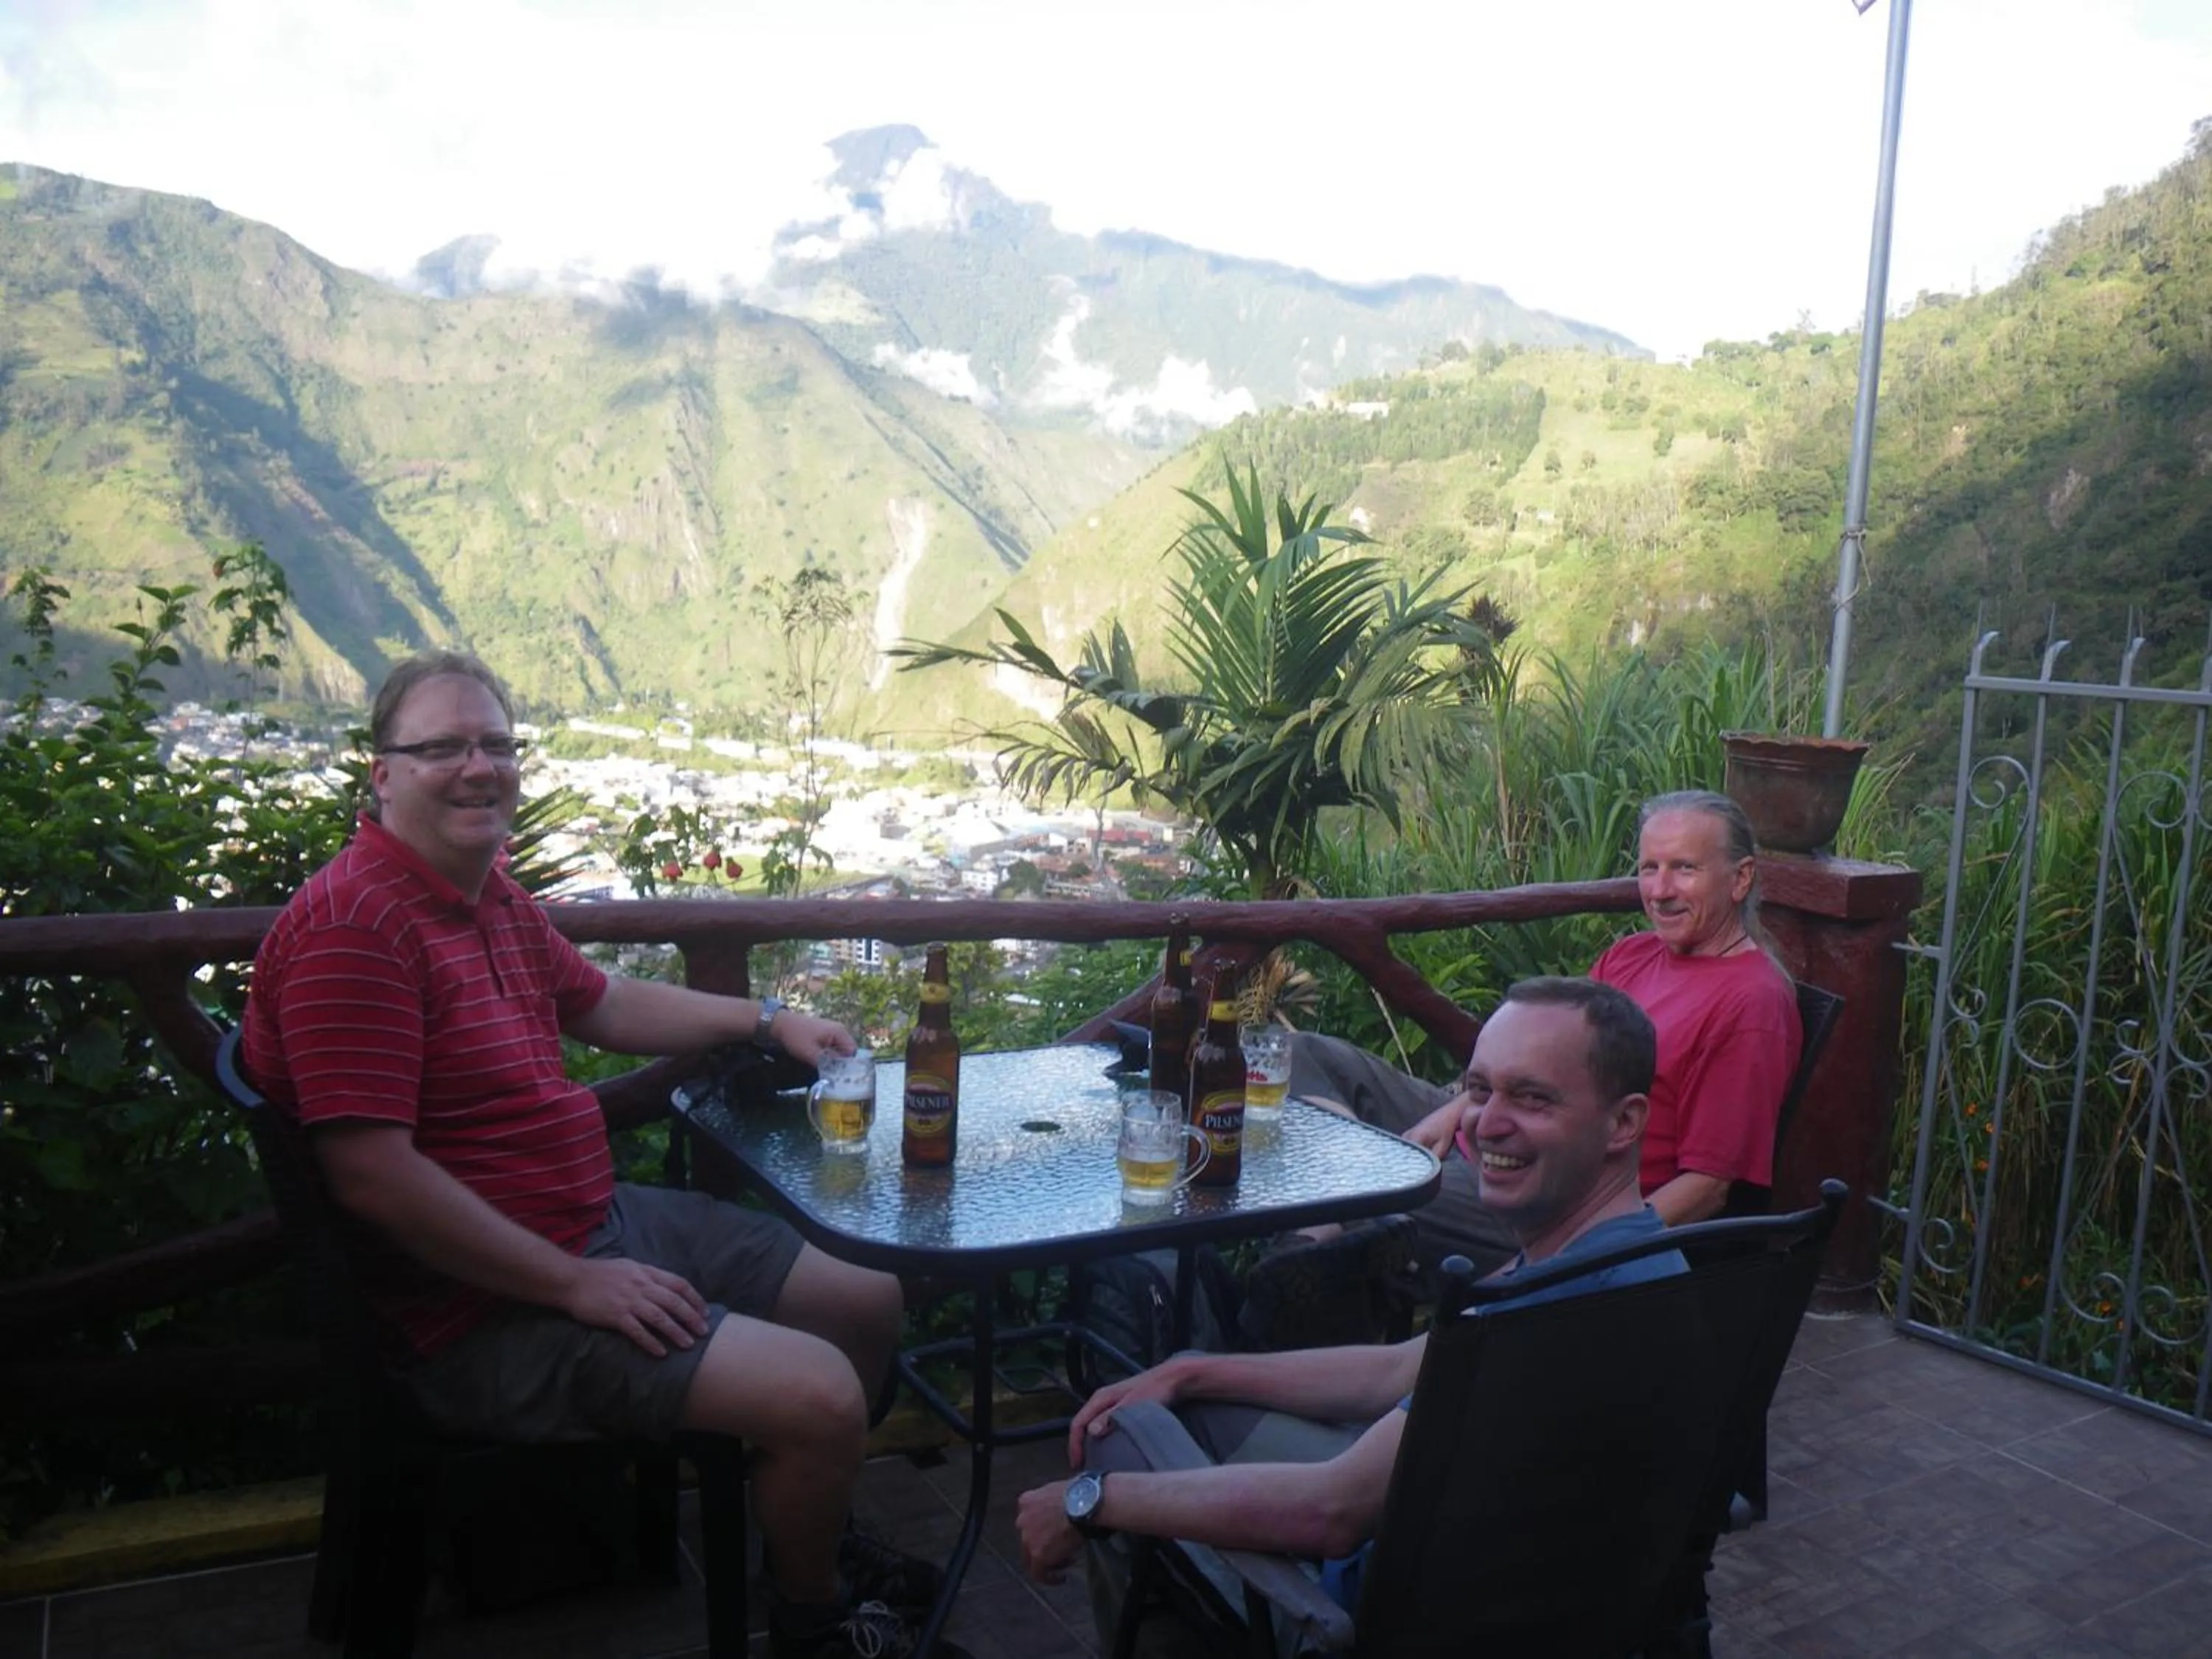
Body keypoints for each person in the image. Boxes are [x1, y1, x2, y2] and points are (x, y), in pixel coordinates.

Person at [240, 652, 946, 1659]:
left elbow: (601, 1001)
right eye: (442, 746)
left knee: (866, 1296)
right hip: (482, 1309)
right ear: (383, 774)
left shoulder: (482, 893)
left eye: (494, 743)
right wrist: (577, 1285)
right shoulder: (357, 928)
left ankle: (806, 1520)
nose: (477, 766)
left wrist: (768, 1017)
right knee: (820, 1391)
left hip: (582, 1221)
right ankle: (814, 1616)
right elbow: (372, 1175)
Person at [1013, 978, 1683, 1639]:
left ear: (1624, 1123)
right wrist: (1194, 1370)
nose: (1488, 1122)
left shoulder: (1542, 1318)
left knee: (1119, 1444)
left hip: (1379, 1616)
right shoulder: (1629, 1263)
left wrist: (1090, 1501)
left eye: (1533, 1097)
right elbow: (1395, 1371)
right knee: (1180, 1402)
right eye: (1479, 1090)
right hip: (1536, 1586)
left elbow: (1332, 1511)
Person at [1267, 790, 1803, 1310]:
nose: (1659, 891)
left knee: (1368, 1200)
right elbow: (1539, 1053)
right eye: (1648, 869)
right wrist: (1457, 1111)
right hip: (1491, 1134)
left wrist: (1568, 1258)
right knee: (1297, 1055)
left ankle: (1328, 1242)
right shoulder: (1635, 954)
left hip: (1547, 1199)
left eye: (1684, 869)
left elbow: (1708, 1188)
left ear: (1741, 879)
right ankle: (1320, 1233)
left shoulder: (1751, 1004)